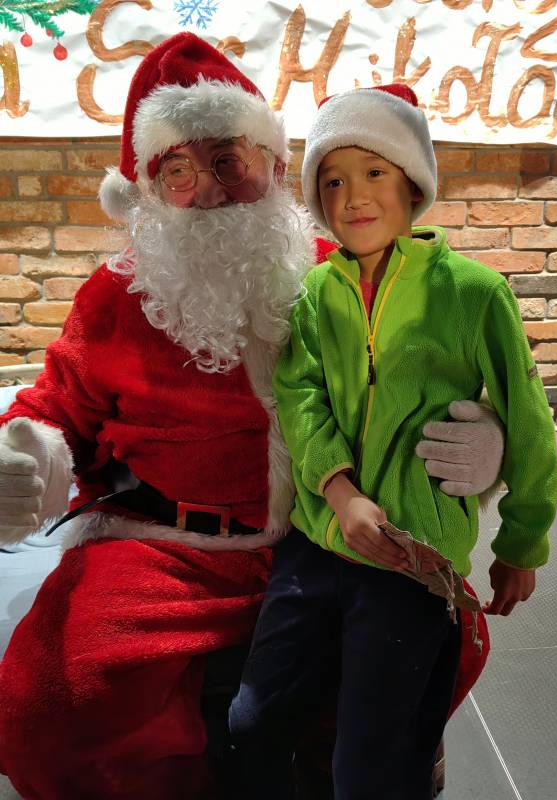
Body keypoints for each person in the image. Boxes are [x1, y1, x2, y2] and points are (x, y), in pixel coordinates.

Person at [0, 36, 504, 800]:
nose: (208, 190)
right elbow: (56, 404)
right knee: (54, 700)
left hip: (323, 530)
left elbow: (439, 375)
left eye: (228, 160)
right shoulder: (114, 297)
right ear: (145, 188)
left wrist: (484, 439)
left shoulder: (345, 273)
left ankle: (344, 761)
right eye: (177, 169)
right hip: (169, 547)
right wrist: (30, 456)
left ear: (272, 164)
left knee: (445, 627)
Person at [229, 82, 557, 800]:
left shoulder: (472, 293)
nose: (353, 196)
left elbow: (527, 419)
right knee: (253, 722)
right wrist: (339, 494)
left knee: (373, 763)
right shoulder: (315, 293)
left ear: (411, 181)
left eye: (373, 171)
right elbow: (300, 397)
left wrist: (521, 544)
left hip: (411, 557)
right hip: (317, 542)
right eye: (333, 180)